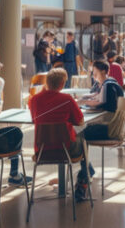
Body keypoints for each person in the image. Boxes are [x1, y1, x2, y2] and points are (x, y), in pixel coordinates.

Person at [30, 68, 93, 201]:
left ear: (47, 82)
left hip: (42, 151)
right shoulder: (66, 99)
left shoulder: (34, 99)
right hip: (66, 150)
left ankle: (87, 172)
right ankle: (84, 180)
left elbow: (34, 120)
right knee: (84, 138)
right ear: (63, 84)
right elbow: (80, 121)